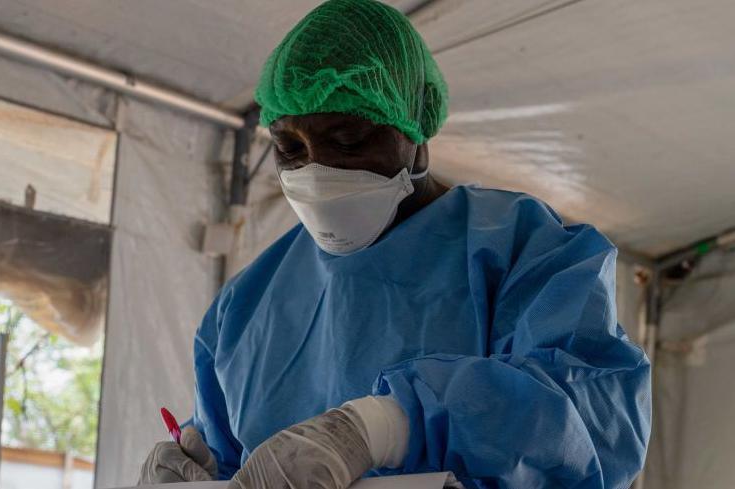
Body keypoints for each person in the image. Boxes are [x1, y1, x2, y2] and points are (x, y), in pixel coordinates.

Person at [139, 0, 651, 488]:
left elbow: (592, 420)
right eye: (289, 148)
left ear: (417, 129)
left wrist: (386, 426)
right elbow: (234, 459)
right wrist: (195, 470)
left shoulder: (524, 250)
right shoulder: (244, 306)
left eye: (347, 140)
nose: (318, 170)